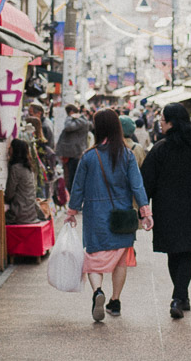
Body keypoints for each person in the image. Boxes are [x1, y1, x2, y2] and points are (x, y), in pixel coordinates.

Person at [65, 110, 151, 322]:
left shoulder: (88, 156)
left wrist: (72, 211)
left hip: (96, 215)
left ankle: (97, 292)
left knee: (94, 257)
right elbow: (137, 186)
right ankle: (115, 300)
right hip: (122, 215)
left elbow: (78, 188)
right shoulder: (128, 154)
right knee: (121, 259)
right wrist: (145, 212)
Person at [141, 102, 191, 320]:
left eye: (162, 120)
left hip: (167, 209)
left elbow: (146, 181)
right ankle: (182, 296)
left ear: (171, 122)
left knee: (173, 252)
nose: (159, 123)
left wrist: (144, 210)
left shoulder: (160, 149)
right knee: (188, 252)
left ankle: (178, 297)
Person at [5, 138, 43, 225]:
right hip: (31, 213)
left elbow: (9, 194)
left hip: (19, 213)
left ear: (15, 150)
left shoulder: (16, 168)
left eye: (10, 147)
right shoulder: (29, 168)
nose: (8, 150)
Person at [55, 103, 90, 191]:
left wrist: (70, 117)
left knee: (72, 177)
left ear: (71, 112)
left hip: (74, 153)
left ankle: (73, 196)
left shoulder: (79, 120)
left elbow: (68, 127)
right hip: (72, 153)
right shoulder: (78, 120)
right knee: (70, 176)